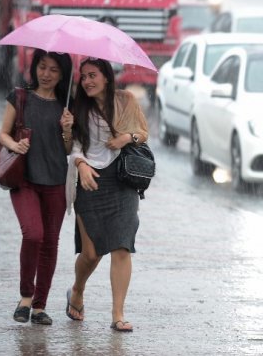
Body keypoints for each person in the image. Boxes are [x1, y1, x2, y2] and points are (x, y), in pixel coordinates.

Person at [65, 58, 149, 333]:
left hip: (122, 179)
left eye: (93, 75)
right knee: (91, 253)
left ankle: (118, 314)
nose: (87, 81)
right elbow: (72, 147)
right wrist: (81, 163)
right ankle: (77, 290)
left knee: (122, 245)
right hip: (89, 179)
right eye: (84, 76)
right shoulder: (76, 106)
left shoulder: (125, 100)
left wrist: (126, 138)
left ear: (106, 77)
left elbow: (143, 133)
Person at [0, 49, 74, 325]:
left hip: (56, 182)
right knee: (33, 235)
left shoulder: (68, 106)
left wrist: (67, 129)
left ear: (62, 74)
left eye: (54, 70)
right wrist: (15, 145)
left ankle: (40, 306)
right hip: (25, 179)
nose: (47, 74)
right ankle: (26, 297)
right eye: (43, 67)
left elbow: (68, 149)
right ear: (35, 68)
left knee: (50, 243)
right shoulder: (20, 97)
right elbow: (3, 134)